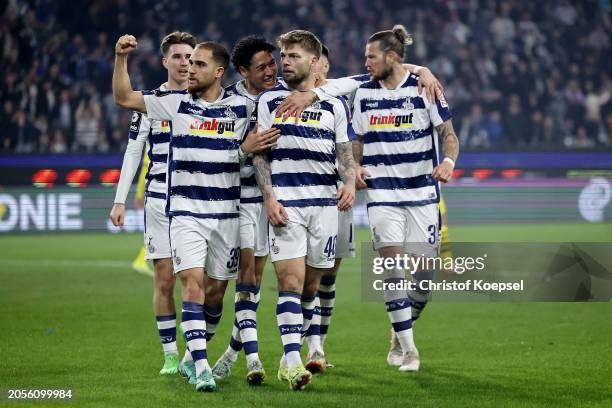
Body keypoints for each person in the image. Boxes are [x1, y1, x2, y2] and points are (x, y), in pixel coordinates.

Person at [112, 34, 279, 392]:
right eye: (189, 62)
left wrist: (244, 148)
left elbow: (268, 118)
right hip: (185, 213)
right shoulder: (171, 102)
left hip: (226, 214)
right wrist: (120, 59)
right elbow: (124, 97)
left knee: (216, 291)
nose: (190, 68)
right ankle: (201, 366)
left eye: (199, 63)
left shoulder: (241, 109)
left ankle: (192, 353)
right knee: (191, 283)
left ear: (219, 72)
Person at [351, 25, 459, 372]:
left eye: (371, 56)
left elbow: (449, 135)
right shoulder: (363, 94)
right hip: (383, 194)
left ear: (391, 56)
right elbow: (357, 140)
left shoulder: (425, 88)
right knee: (392, 270)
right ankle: (410, 351)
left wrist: (447, 162)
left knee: (425, 277)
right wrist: (355, 166)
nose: (365, 62)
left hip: (423, 192)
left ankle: (399, 331)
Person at [253, 30, 356, 391]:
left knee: (312, 286)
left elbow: (344, 153)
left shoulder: (334, 104)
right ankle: (294, 362)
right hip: (288, 204)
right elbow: (260, 154)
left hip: (325, 207)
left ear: (314, 61)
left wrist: (348, 181)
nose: (286, 61)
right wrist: (269, 197)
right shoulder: (269, 101)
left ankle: (288, 356)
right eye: (284, 55)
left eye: (294, 55)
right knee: (290, 283)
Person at [110, 31, 197, 376]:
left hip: (196, 200)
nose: (184, 63)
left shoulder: (205, 100)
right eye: (177, 56)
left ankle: (195, 351)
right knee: (163, 280)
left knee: (197, 279)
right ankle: (171, 355)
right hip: (159, 201)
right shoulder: (150, 102)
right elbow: (134, 150)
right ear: (165, 62)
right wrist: (119, 200)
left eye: (190, 57)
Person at [211, 35, 280, 385]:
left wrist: (416, 68)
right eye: (262, 67)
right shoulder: (227, 101)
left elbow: (332, 84)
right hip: (233, 199)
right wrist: (243, 147)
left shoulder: (284, 94)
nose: (271, 71)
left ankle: (235, 353)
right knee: (229, 285)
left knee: (252, 281)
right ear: (242, 71)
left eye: (272, 63)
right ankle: (242, 356)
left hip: (268, 201)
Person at [131, 150, 153, 275]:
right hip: (154, 191)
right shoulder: (153, 143)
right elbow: (145, 169)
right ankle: (142, 260)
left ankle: (142, 259)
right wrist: (140, 193)